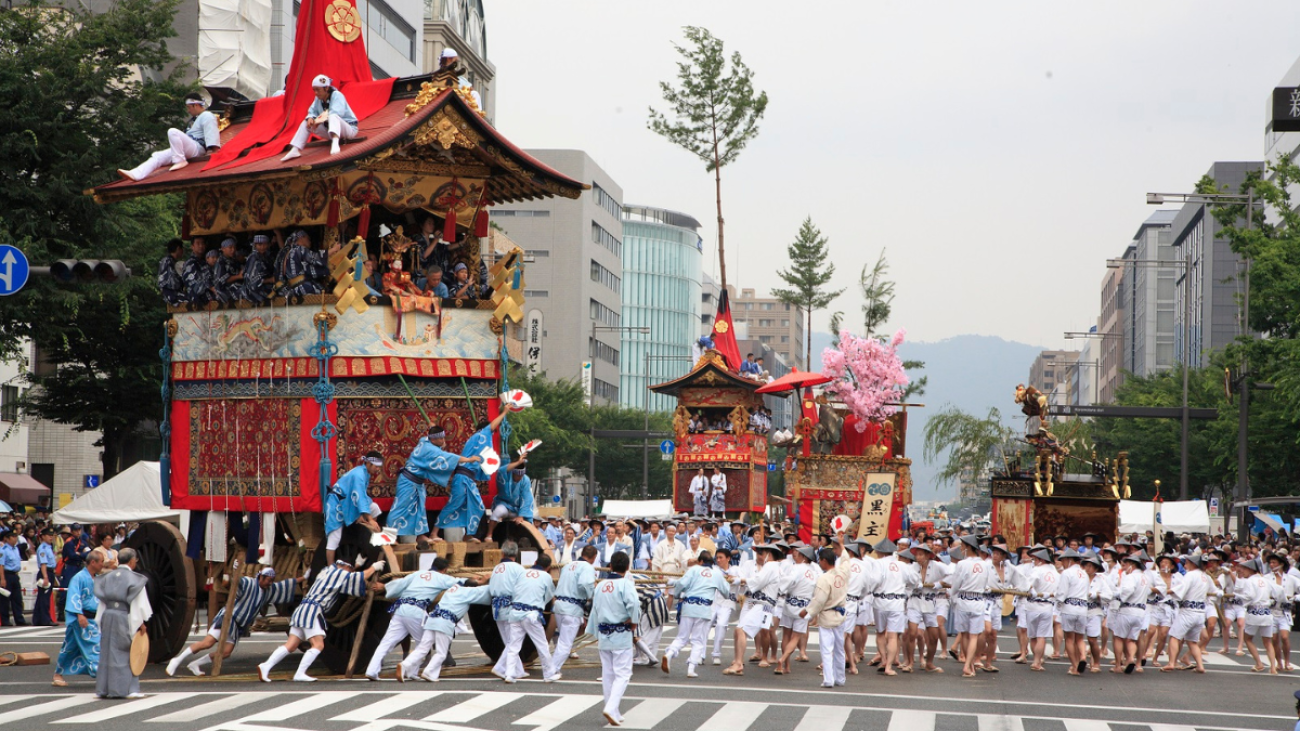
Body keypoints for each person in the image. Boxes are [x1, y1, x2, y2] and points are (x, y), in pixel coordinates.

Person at [258, 557, 384, 682]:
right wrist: (374, 567)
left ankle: (265, 666)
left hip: (302, 608)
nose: (350, 571)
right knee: (318, 645)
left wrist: (357, 567)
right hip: (312, 611)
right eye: (349, 568)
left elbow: (347, 578)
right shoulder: (338, 573)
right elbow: (357, 577)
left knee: (290, 646)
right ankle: (300, 673)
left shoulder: (326, 571)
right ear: (344, 566)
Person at [167, 565, 297, 676]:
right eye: (268, 580)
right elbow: (236, 582)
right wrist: (235, 571)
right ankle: (177, 660)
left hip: (236, 625)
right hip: (227, 618)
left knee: (226, 652)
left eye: (271, 581)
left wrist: (304, 578)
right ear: (261, 577)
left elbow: (283, 586)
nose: (270, 583)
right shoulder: (249, 583)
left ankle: (195, 664)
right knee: (207, 643)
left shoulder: (268, 590)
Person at [365, 557, 461, 681]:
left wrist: (384, 587)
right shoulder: (441, 578)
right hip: (416, 611)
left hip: (400, 610)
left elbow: (401, 583)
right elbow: (459, 582)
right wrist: (478, 581)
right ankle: (409, 670)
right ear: (444, 570)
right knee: (423, 644)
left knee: (387, 642)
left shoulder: (418, 574)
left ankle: (372, 671)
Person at [399, 565, 490, 681]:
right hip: (444, 622)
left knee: (422, 648)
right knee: (441, 653)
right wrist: (486, 580)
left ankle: (404, 665)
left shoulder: (454, 588)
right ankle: (428, 672)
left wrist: (478, 580)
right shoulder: (470, 592)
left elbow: (472, 583)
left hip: (432, 619)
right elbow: (489, 591)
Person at [436, 410, 507, 542]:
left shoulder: (478, 444)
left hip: (468, 478)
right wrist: (505, 412)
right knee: (454, 505)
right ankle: (434, 533)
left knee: (478, 507)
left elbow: (482, 469)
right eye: (491, 433)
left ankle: (468, 535)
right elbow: (491, 426)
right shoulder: (478, 437)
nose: (491, 436)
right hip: (462, 477)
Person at [118, 93, 221, 181]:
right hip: (186, 148)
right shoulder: (194, 120)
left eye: (189, 107)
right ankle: (136, 174)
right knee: (158, 156)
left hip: (197, 147)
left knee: (173, 132)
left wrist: (212, 150)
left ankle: (179, 160)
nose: (188, 111)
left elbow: (211, 133)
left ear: (196, 105)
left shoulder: (207, 115)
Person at [93, 546, 152, 699]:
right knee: (126, 652)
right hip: (123, 616)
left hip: (108, 615)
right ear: (133, 561)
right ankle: (128, 689)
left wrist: (100, 620)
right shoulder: (135, 579)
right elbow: (139, 606)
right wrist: (140, 624)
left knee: (107, 651)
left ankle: (104, 689)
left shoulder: (108, 576)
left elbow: (102, 602)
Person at [661, 550, 731, 678]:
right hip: (703, 609)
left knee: (682, 637)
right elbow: (726, 592)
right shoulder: (717, 574)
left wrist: (676, 590)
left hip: (688, 606)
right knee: (698, 640)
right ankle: (691, 669)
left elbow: (682, 583)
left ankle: (670, 653)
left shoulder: (693, 570)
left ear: (700, 561)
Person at [589, 551, 640, 727]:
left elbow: (594, 610)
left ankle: (613, 710)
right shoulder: (626, 585)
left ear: (610, 566)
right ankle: (611, 707)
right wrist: (634, 622)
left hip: (604, 633)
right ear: (627, 568)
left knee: (608, 673)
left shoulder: (600, 585)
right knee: (623, 673)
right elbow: (634, 605)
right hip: (621, 632)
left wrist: (594, 631)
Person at [392, 424, 464, 542]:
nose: (443, 441)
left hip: (417, 483)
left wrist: (434, 430)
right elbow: (448, 457)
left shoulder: (424, 441)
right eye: (440, 438)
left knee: (419, 509)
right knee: (401, 509)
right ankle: (391, 537)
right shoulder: (428, 448)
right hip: (408, 481)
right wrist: (469, 459)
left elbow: (429, 439)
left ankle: (420, 536)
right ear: (433, 439)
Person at [803, 536, 851, 688]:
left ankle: (829, 679)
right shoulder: (843, 572)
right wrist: (842, 547)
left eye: (820, 560)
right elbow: (846, 560)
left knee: (826, 649)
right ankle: (840, 678)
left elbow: (819, 600)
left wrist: (807, 613)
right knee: (839, 649)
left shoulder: (824, 578)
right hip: (840, 615)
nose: (819, 562)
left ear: (824, 560)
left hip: (827, 615)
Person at [53, 548, 105, 687]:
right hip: (82, 618)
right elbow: (74, 597)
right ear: (92, 562)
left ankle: (58, 674)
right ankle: (101, 674)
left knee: (70, 647)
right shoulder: (79, 577)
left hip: (94, 618)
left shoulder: (97, 578)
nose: (102, 565)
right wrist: (79, 614)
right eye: (101, 562)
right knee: (95, 645)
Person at [501, 554, 557, 683]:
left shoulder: (522, 573)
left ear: (535, 561)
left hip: (515, 612)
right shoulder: (546, 576)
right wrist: (540, 603)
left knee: (513, 646)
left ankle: (509, 674)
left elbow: (514, 591)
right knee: (542, 644)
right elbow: (549, 595)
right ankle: (548, 674)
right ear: (548, 567)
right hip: (531, 614)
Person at [325, 451, 385, 565]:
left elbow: (359, 495)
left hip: (349, 501)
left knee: (375, 508)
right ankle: (330, 569)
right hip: (336, 503)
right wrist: (370, 518)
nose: (378, 469)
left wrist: (363, 516)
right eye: (376, 466)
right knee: (334, 538)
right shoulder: (359, 475)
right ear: (368, 464)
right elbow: (359, 496)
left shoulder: (364, 473)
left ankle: (367, 540)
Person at [1162, 553, 1217, 674]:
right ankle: (1200, 665)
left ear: (1193, 563)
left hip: (1188, 610)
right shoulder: (1205, 576)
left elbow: (1181, 589)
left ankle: (1171, 663)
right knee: (1192, 641)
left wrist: (1166, 591)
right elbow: (1215, 591)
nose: (1185, 565)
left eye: (1187, 563)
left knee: (1174, 637)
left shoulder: (1191, 575)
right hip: (1200, 612)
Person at [282, 75, 358, 160]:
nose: (316, 93)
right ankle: (295, 149)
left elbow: (336, 112)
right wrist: (310, 118)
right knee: (305, 123)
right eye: (314, 90)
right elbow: (312, 111)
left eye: (318, 90)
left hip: (347, 129)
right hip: (330, 131)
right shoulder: (318, 98)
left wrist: (318, 120)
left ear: (326, 88)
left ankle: (335, 142)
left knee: (333, 116)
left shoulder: (337, 95)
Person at [551, 545, 598, 678]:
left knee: (562, 641)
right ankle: (552, 669)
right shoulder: (587, 567)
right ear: (594, 557)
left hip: (559, 605)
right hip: (572, 606)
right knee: (565, 643)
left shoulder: (568, 565)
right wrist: (591, 594)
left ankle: (552, 667)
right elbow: (585, 583)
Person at [488, 541, 526, 680]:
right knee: (513, 641)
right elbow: (523, 588)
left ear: (502, 553)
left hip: (497, 607)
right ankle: (500, 667)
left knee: (509, 641)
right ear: (516, 554)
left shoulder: (496, 568)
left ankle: (519, 670)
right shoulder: (519, 568)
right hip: (511, 607)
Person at [487, 458, 534, 538]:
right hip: (504, 504)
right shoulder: (505, 476)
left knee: (525, 523)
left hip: (517, 510)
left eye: (521, 475)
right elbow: (501, 471)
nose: (520, 477)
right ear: (513, 473)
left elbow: (526, 498)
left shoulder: (525, 480)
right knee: (497, 512)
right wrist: (518, 462)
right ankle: (489, 535)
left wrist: (521, 515)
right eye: (518, 475)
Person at [0, 528, 26, 626]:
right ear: (7, 538)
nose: (15, 539)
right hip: (7, 575)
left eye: (16, 537)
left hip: (15, 575)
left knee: (17, 598)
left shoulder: (16, 549)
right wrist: (2, 579)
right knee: (5, 599)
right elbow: (1, 565)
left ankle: (19, 619)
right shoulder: (3, 550)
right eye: (13, 537)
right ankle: (5, 620)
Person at [32, 528, 58, 626]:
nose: (51, 537)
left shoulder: (48, 547)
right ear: (42, 536)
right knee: (44, 598)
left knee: (42, 597)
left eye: (52, 535)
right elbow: (43, 564)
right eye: (48, 535)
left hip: (49, 572)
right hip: (45, 573)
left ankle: (37, 619)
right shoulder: (42, 548)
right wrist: (45, 577)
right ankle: (45, 620)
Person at [240, 234, 276, 304]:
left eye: (264, 244)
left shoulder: (266, 257)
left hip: (264, 285)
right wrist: (270, 280)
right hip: (251, 289)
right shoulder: (253, 257)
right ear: (255, 245)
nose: (262, 247)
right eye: (260, 245)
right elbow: (252, 280)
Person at [158, 239, 186, 306]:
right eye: (182, 249)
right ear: (178, 249)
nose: (183, 251)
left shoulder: (165, 260)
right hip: (172, 294)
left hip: (169, 293)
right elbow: (172, 282)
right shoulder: (169, 262)